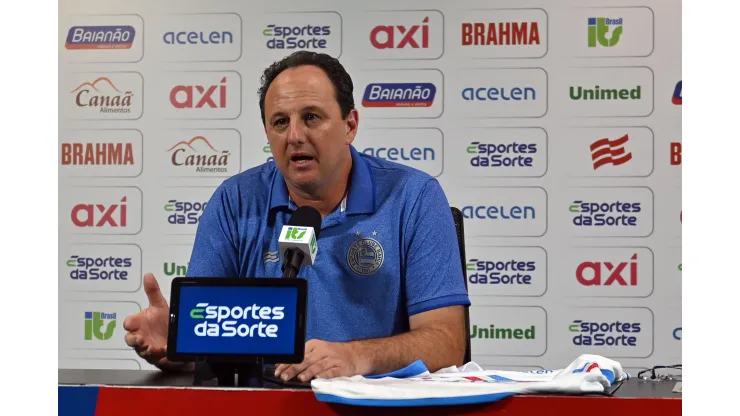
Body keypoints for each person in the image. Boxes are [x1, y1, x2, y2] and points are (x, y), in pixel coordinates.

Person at [123, 51, 471, 382]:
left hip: (372, 408)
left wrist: (355, 358)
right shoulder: (234, 201)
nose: (294, 136)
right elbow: (208, 337)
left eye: (311, 117)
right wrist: (180, 344)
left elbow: (446, 342)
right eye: (280, 122)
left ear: (350, 124)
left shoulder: (413, 197)